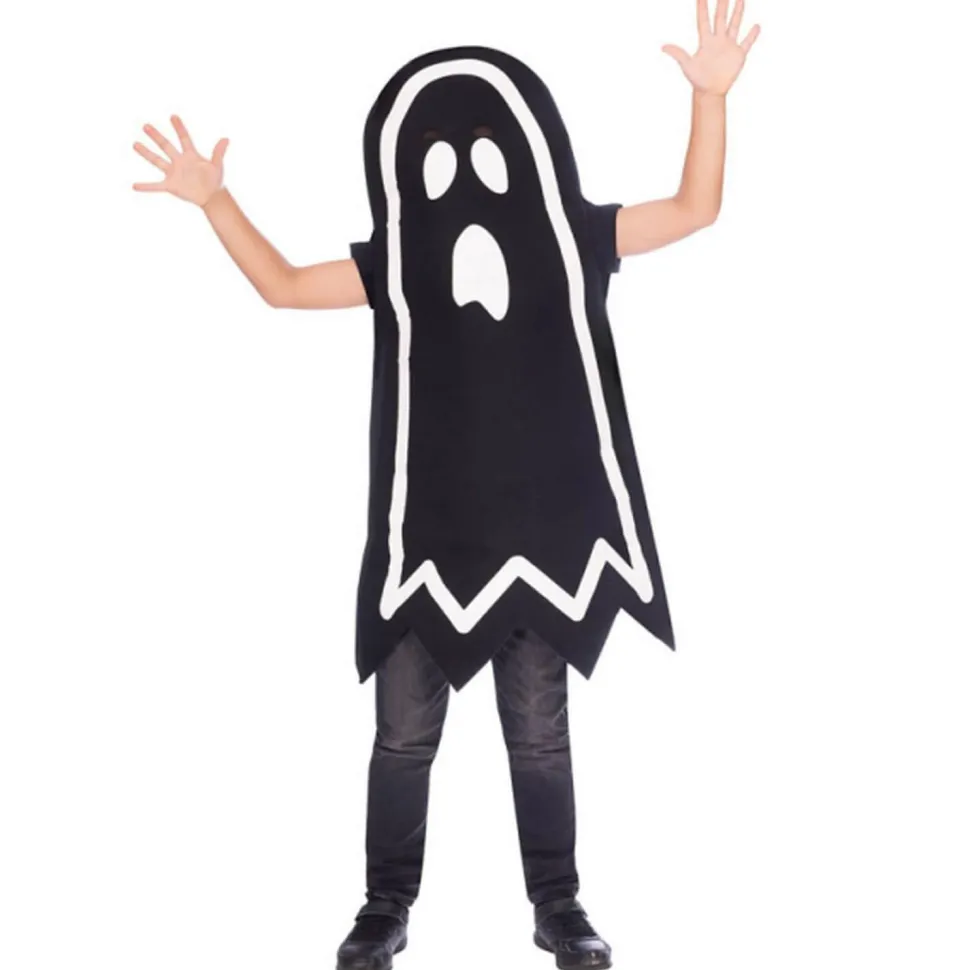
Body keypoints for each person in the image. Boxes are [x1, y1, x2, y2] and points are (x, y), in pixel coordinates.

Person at [132, 4, 759, 968]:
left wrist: (709, 100)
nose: (466, 184)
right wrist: (217, 202)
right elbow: (285, 287)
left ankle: (559, 906)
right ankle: (384, 908)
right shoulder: (399, 265)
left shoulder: (573, 238)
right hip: (426, 544)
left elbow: (692, 209)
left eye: (490, 156)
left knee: (539, 736)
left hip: (542, 542)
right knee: (402, 737)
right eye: (436, 164)